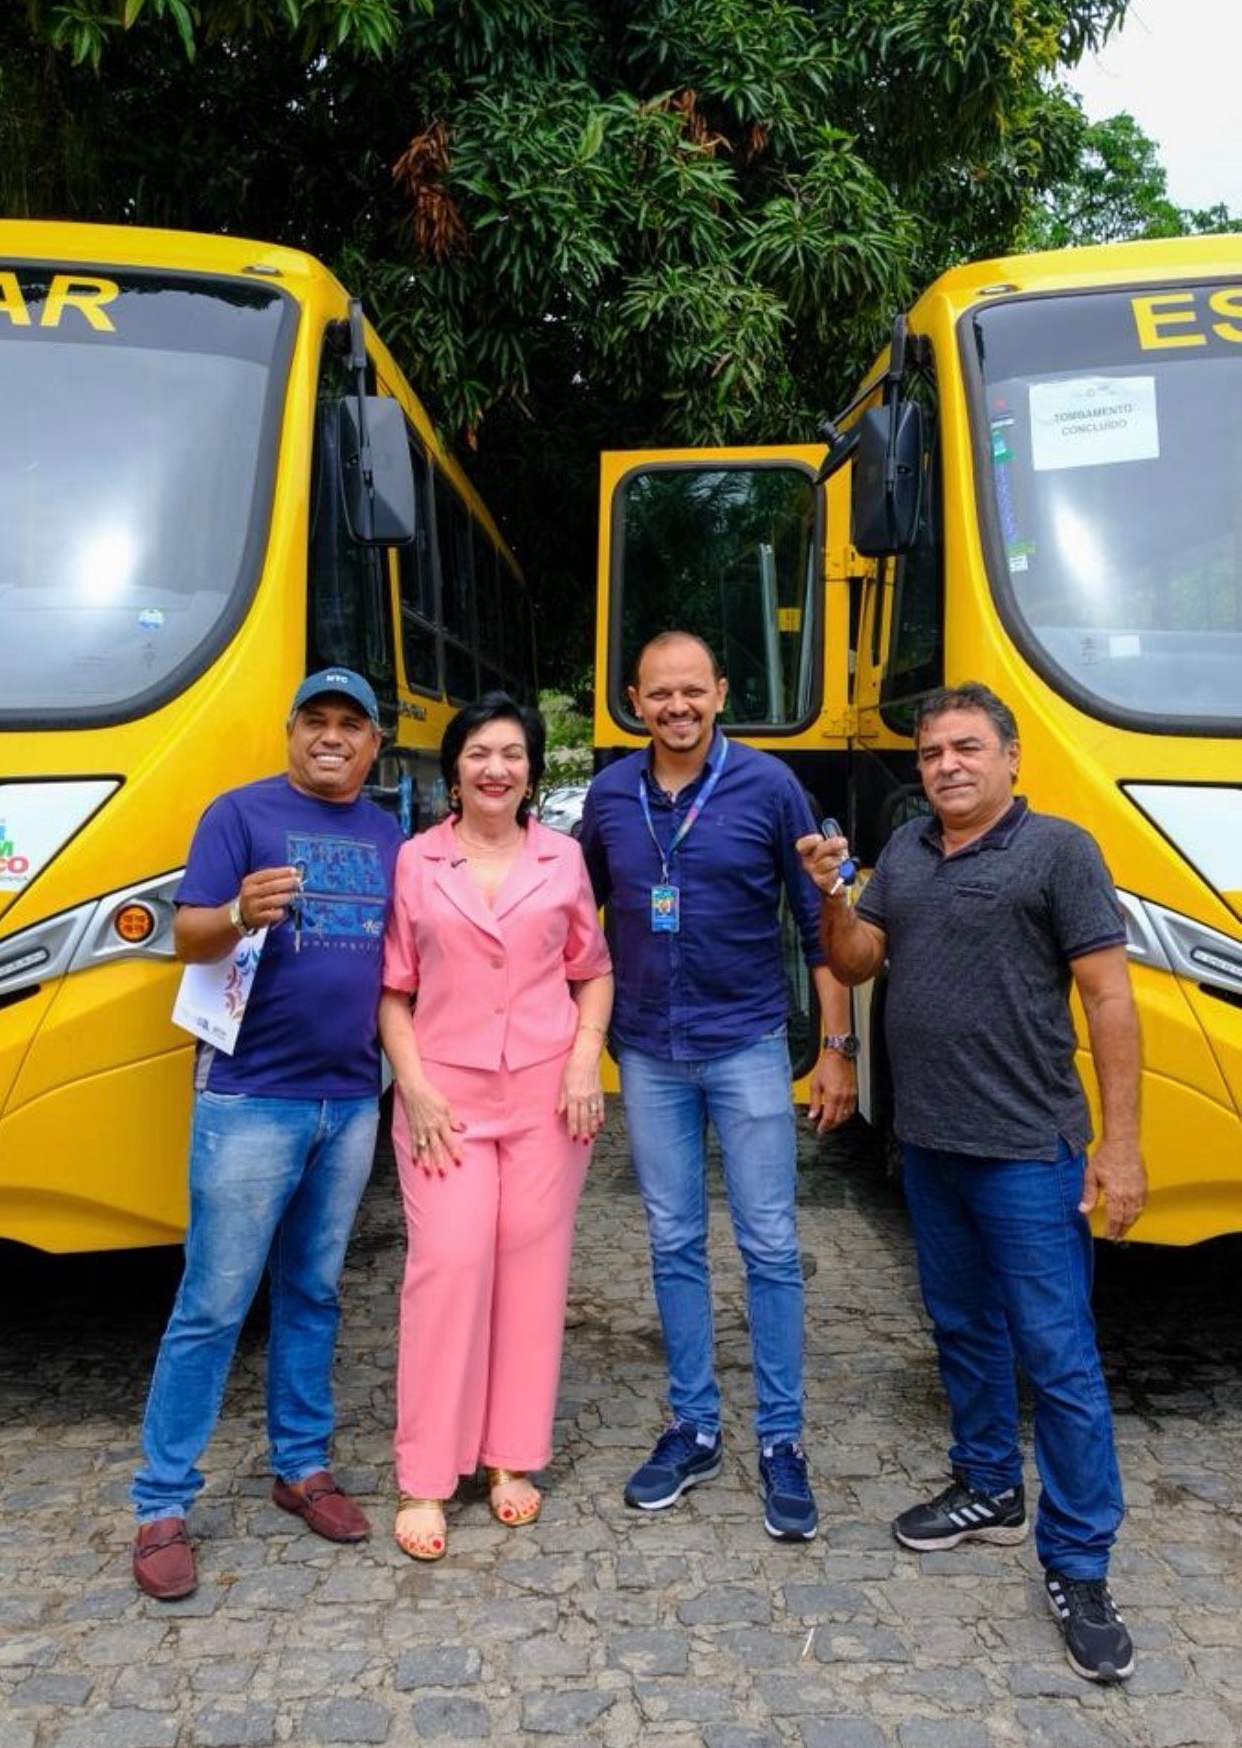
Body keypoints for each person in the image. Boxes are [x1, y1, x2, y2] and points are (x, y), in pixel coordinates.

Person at [798, 681, 1145, 1683]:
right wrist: (830, 892)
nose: (945, 763)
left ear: (1009, 757)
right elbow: (860, 960)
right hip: (933, 1146)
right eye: (931, 751)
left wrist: (1118, 1148)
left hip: (1031, 1150)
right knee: (960, 1326)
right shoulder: (906, 851)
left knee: (1059, 1354)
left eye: (965, 747)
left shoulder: (1060, 851)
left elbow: (1110, 1001)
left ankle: (1080, 1563)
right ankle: (990, 1484)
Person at [580, 631, 857, 1542]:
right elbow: (574, 921)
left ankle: (782, 1440)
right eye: (660, 694)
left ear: (721, 691)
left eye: (693, 690)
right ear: (634, 700)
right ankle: (693, 1425)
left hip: (747, 1045)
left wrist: (837, 1048)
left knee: (772, 1244)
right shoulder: (611, 796)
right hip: (649, 1057)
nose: (677, 708)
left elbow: (821, 922)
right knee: (672, 1242)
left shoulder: (771, 787)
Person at [131, 667, 400, 1601]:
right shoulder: (237, 815)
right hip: (250, 1099)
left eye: (350, 726)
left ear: (374, 744)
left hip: (351, 1099)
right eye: (316, 721)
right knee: (213, 1300)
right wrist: (239, 910)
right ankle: (162, 1505)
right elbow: (186, 937)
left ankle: (301, 1465)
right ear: (292, 732)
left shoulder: (386, 833)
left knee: (315, 1292)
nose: (332, 737)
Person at [378, 693, 613, 1562]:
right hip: (444, 1099)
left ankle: (511, 1458)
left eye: (512, 754)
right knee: (449, 1264)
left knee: (532, 1267)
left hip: (550, 1100)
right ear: (453, 768)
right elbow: (394, 989)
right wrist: (415, 1085)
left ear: (532, 771)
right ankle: (426, 1474)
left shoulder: (563, 858)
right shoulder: (415, 861)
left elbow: (592, 969)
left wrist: (587, 1055)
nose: (495, 769)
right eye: (479, 752)